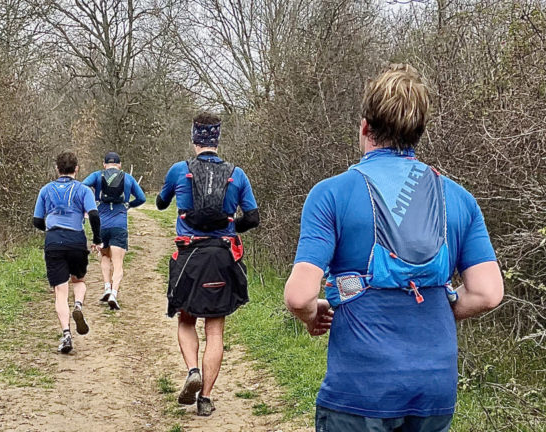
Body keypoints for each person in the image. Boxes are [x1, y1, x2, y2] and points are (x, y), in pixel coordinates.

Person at [283, 64, 505, 431]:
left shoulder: (332, 194)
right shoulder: (458, 199)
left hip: (360, 390)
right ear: (418, 132)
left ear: (365, 127)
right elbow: (488, 292)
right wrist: (443, 303)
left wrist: (314, 314)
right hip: (434, 388)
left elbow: (298, 295)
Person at [156, 112, 260, 417]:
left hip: (188, 256)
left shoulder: (179, 170)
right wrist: (230, 227)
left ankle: (191, 370)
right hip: (222, 258)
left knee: (186, 320)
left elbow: (161, 204)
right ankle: (206, 397)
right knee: (215, 330)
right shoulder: (237, 174)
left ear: (194, 139)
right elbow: (253, 218)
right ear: (217, 139)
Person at [33, 151, 103, 354]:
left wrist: (51, 228)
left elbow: (37, 220)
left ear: (57, 169)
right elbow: (94, 215)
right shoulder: (83, 190)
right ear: (77, 169)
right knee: (79, 280)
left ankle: (66, 334)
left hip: (54, 240)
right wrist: (97, 239)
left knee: (60, 292)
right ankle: (79, 305)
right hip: (76, 240)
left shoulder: (46, 190)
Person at [82, 152, 146, 310]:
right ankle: (114, 294)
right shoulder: (128, 178)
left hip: (101, 224)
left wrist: (93, 203)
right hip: (119, 224)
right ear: (120, 164)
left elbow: (82, 186)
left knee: (104, 256)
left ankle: (106, 287)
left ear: (104, 164)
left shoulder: (97, 175)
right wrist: (128, 205)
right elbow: (142, 198)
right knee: (118, 262)